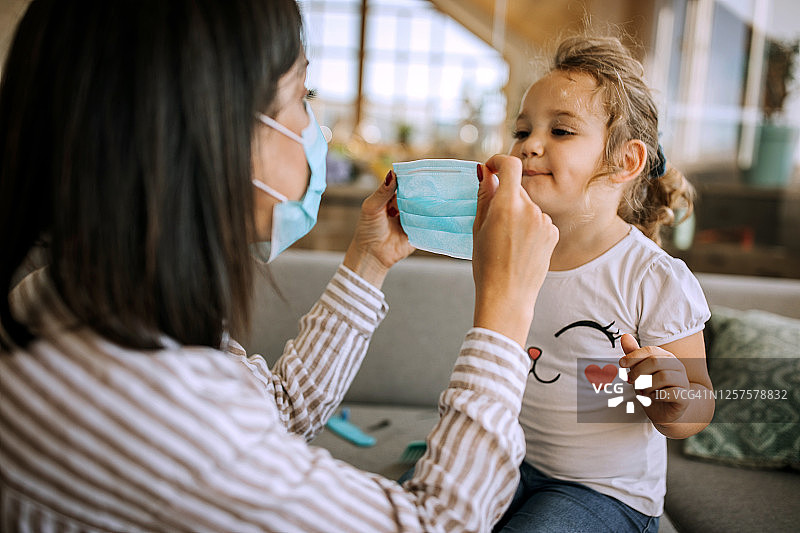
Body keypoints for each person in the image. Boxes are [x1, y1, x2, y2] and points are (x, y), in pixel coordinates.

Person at [0, 1, 559, 531]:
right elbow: (440, 524)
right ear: (205, 132)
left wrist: (370, 259)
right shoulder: (137, 397)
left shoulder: (75, 300)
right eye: (302, 95)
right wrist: (505, 309)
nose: (318, 129)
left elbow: (276, 411)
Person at [493, 35, 714, 532]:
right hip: (506, 465)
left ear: (625, 162)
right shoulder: (511, 247)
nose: (529, 143)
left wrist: (674, 397)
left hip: (606, 494)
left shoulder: (652, 276)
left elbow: (697, 406)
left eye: (562, 131)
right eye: (522, 129)